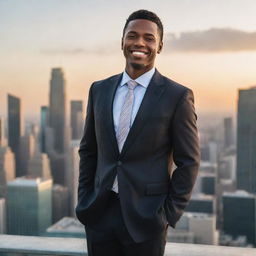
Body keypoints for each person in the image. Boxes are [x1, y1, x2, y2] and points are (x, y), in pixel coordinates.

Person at [76, 9, 200, 256]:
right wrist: (84, 201)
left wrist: (166, 215)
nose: (139, 43)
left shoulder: (177, 96)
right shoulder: (99, 90)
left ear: (160, 46)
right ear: (122, 42)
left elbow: (189, 161)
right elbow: (89, 149)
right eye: (132, 35)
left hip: (147, 221)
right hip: (99, 214)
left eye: (149, 38)